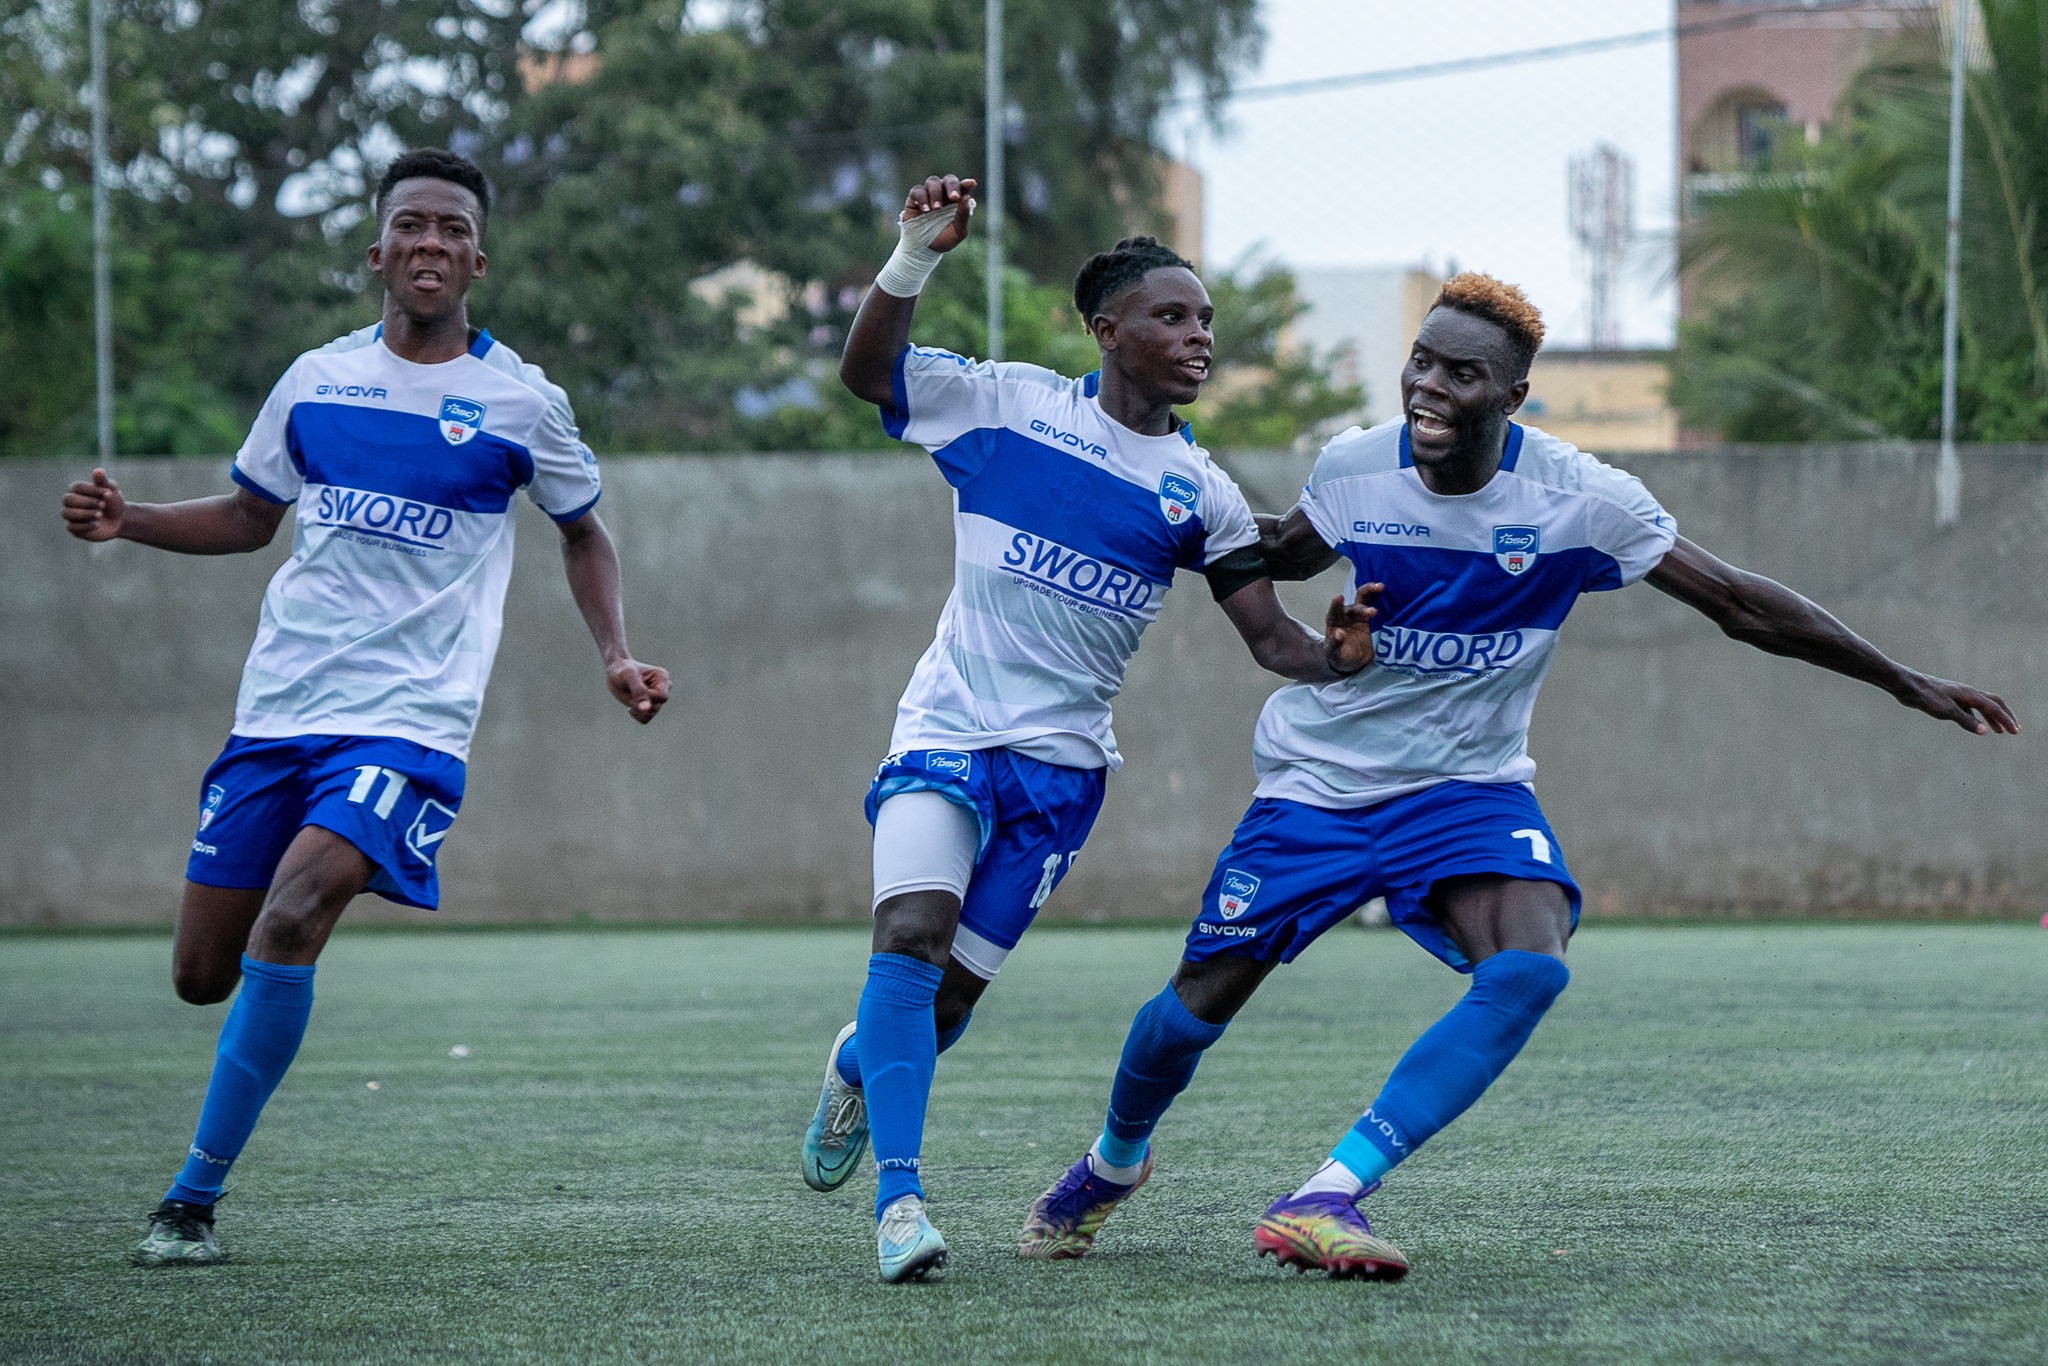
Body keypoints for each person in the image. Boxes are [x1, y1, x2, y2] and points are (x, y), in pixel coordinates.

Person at [1016, 272, 2019, 1279]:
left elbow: (1738, 603)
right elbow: (1271, 550)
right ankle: (1111, 1163)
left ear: (1512, 395)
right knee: (1195, 1004)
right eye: (1420, 363)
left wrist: (1900, 679)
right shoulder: (1356, 465)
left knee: (1531, 961)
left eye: (1462, 374)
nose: (1429, 389)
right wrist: (1130, 493)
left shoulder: (1578, 499)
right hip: (1316, 785)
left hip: (1466, 790)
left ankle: (1325, 1192)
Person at [61, 149, 672, 1268]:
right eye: (409, 226)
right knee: (204, 974)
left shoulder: (519, 401)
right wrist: (129, 519)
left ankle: (191, 1199)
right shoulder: (313, 381)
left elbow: (583, 530)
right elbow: (252, 517)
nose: (429, 243)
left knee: (294, 913)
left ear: (477, 258)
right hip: (279, 712)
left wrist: (616, 653)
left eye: (450, 229)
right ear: (378, 251)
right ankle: (260, 1008)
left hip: (410, 722)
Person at [804, 173, 1380, 1282]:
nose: (1196, 335)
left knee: (953, 999)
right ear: (1105, 331)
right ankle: (900, 1202)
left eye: (1205, 318)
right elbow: (866, 373)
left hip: (1060, 773)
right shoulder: (1005, 406)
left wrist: (1334, 657)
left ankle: (852, 1064)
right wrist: (913, 256)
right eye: (1171, 315)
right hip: (946, 728)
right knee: (911, 938)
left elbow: (1268, 636)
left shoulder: (1199, 494)